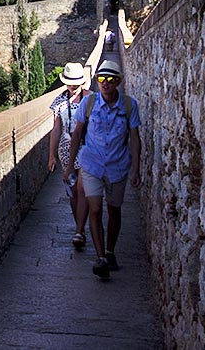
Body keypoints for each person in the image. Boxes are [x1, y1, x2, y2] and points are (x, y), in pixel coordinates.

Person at [64, 59, 141, 279]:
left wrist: (136, 168)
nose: (105, 83)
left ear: (118, 82)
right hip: (92, 165)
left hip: (118, 166)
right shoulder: (88, 104)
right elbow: (77, 134)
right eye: (101, 79)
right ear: (96, 81)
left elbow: (134, 138)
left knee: (114, 210)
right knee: (95, 209)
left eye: (110, 79)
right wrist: (70, 165)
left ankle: (110, 250)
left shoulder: (129, 105)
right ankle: (101, 258)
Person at [47, 62, 90, 248]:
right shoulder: (59, 102)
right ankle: (78, 226)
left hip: (87, 148)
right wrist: (51, 155)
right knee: (73, 192)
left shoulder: (91, 99)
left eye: (76, 83)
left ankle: (80, 231)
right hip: (66, 149)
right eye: (70, 83)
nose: (73, 87)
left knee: (83, 189)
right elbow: (56, 129)